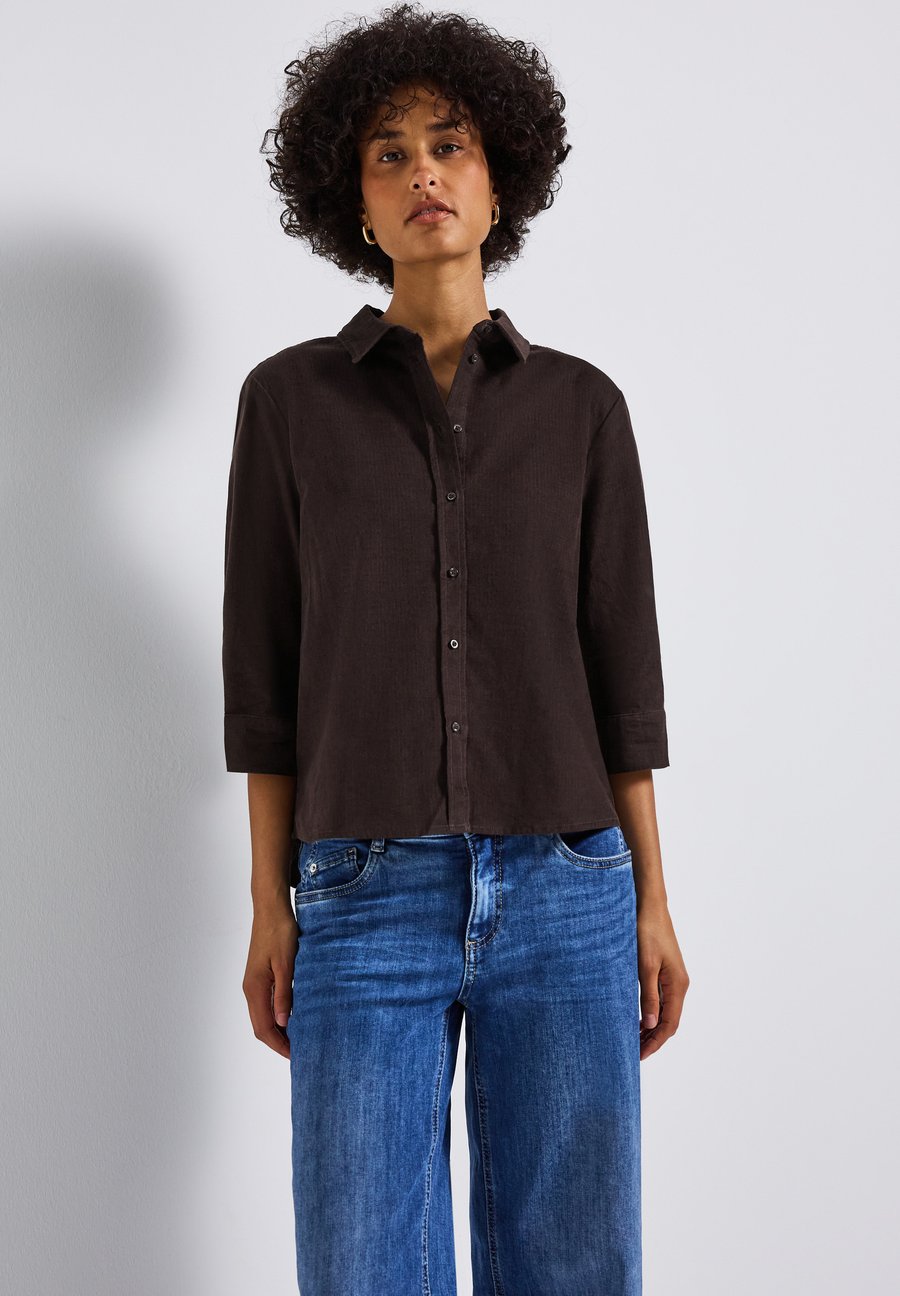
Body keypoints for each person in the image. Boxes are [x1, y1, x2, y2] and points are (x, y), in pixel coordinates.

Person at [221, 4, 690, 1292]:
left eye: (450, 144)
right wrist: (268, 903)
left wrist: (650, 898)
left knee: (575, 1262)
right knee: (362, 1262)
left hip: (569, 884)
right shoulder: (287, 404)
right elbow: (264, 677)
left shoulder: (583, 408)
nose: (423, 172)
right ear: (354, 203)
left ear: (499, 180)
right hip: (360, 889)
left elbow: (623, 679)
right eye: (389, 153)